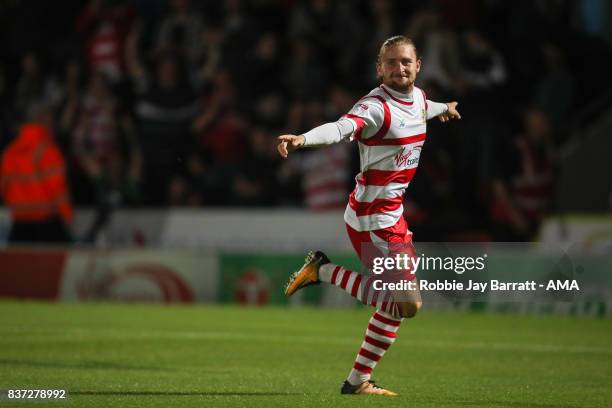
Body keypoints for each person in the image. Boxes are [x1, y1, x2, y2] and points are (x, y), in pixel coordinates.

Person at [277, 35, 461, 396]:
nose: (399, 68)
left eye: (405, 62)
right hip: (371, 220)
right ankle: (323, 270)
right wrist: (303, 139)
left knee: (396, 307)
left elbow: (426, 106)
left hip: (392, 216)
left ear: (418, 65)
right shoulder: (375, 107)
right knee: (406, 304)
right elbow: (341, 128)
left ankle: (357, 381)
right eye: (390, 63)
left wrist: (446, 107)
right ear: (379, 69)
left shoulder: (420, 98)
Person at [0, 104, 73, 243]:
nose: (53, 124)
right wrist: (67, 215)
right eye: (51, 119)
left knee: (19, 263)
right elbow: (58, 190)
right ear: (42, 119)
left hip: (20, 224)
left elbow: (3, 188)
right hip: (47, 224)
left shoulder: (9, 152)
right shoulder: (48, 150)